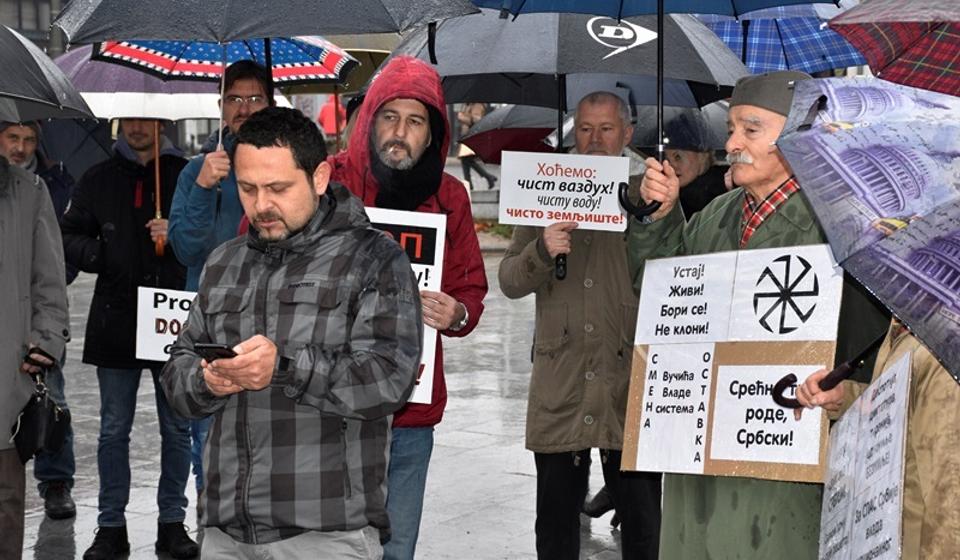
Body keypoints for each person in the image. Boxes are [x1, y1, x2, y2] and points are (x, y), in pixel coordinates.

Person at [626, 71, 890, 558]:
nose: (732, 144)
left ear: (798, 137)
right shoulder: (713, 216)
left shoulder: (842, 226)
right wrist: (659, 219)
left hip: (788, 469)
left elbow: (875, 351)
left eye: (751, 130)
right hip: (699, 462)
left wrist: (848, 392)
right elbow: (662, 301)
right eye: (731, 129)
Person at [160, 106, 423, 559]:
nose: (261, 205)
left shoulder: (374, 259)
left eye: (278, 188)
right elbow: (176, 372)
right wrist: (206, 381)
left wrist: (284, 367)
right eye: (247, 188)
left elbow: (389, 380)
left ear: (319, 178)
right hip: (225, 532)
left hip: (325, 533)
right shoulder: (224, 262)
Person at [328, 55, 488, 560]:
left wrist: (457, 314)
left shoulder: (450, 196)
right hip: (334, 405)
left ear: (432, 132)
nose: (400, 132)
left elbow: (471, 289)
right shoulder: (330, 182)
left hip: (412, 409)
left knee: (397, 547)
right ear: (371, 119)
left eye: (415, 121)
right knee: (333, 544)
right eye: (390, 117)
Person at [498, 91, 663, 560]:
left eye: (606, 129)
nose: (594, 140)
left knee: (643, 524)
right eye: (585, 129)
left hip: (626, 380)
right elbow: (509, 280)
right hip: (561, 381)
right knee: (554, 525)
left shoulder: (647, 193)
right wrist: (541, 250)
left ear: (627, 133)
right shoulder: (543, 189)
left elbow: (678, 268)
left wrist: (657, 216)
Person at [61, 119, 197, 560]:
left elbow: (205, 236)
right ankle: (110, 526)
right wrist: (103, 252)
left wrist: (175, 236)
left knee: (177, 428)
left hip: (171, 319)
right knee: (113, 430)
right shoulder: (98, 178)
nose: (138, 128)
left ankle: (172, 522)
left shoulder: (186, 174)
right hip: (115, 317)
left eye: (146, 119)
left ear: (161, 123)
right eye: (131, 119)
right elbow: (68, 234)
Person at [168, 60, 274, 497]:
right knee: (210, 456)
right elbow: (185, 249)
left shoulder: (289, 170)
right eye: (234, 99)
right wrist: (202, 188)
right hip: (214, 332)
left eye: (255, 98)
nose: (244, 108)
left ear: (271, 104)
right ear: (221, 107)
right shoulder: (199, 170)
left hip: (273, 328)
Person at [795, 321, 960, 559]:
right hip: (879, 539)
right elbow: (899, 410)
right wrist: (843, 396)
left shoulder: (944, 348)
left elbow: (951, 498)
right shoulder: (902, 328)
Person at [0, 120, 77, 520]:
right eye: (13, 138)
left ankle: (56, 480)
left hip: (23, 340)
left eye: (28, 139)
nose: (20, 147)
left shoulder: (40, 186)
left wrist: (47, 337)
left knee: (49, 403)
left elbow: (52, 269)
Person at [456, 102, 498, 190]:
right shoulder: (469, 105)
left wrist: (462, 117)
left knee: (467, 159)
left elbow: (476, 120)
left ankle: (485, 178)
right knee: (466, 160)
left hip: (472, 136)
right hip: (467, 135)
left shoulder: (477, 105)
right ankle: (472, 182)